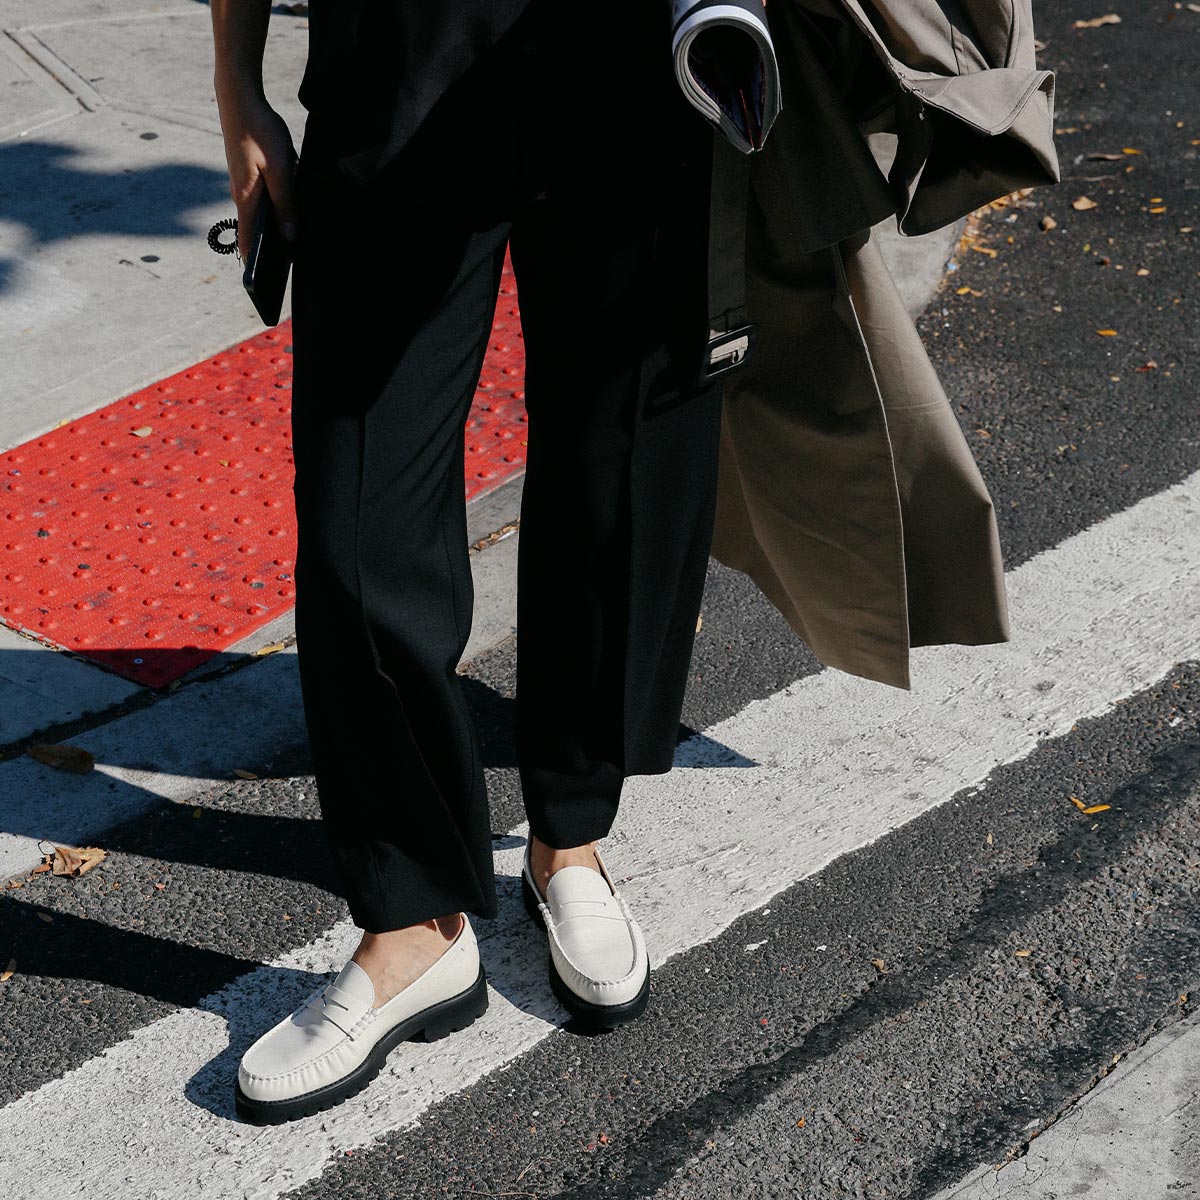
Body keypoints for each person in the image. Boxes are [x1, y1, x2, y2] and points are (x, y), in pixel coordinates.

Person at [210, 0, 730, 1124]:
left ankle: (571, 841)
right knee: (360, 504)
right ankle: (414, 920)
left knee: (622, 471)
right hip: (399, 54)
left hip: (641, 62)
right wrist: (237, 79)